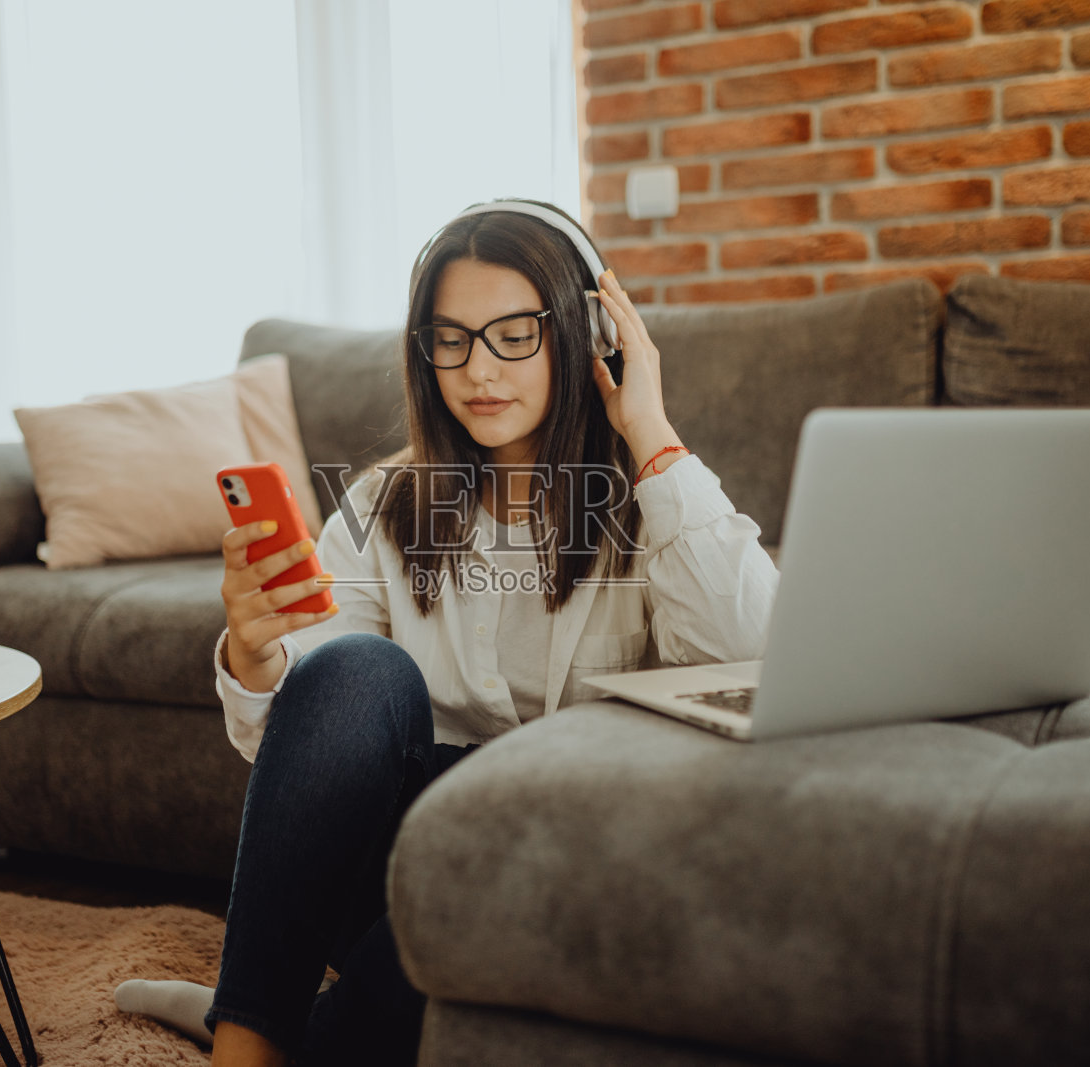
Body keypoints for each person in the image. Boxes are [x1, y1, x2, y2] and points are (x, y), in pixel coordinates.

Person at [114, 199, 780, 1066]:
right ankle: (246, 1049)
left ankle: (274, 1020)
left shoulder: (653, 502)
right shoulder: (383, 504)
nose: (477, 370)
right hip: (401, 857)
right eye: (451, 338)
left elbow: (758, 656)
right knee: (359, 668)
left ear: (587, 336)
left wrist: (650, 432)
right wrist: (254, 649)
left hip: (560, 866)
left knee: (442, 946)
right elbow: (309, 737)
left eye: (513, 334)